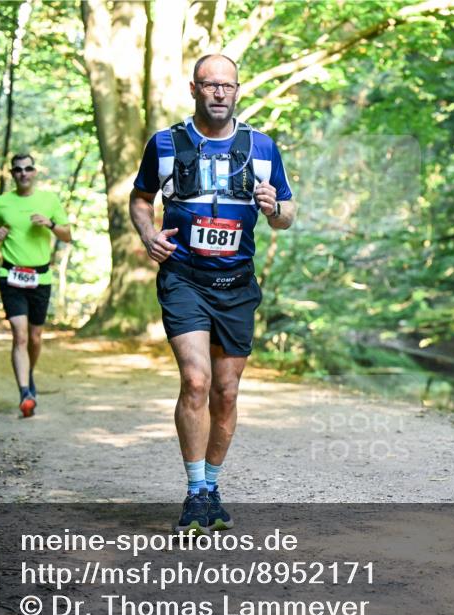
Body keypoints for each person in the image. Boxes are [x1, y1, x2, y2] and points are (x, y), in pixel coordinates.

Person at [130, 54, 296, 535]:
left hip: (237, 285)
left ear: (237, 90)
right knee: (197, 381)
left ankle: (214, 487)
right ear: (194, 89)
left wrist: (275, 210)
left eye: (227, 85)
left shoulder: (262, 147)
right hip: (184, 278)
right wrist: (147, 235)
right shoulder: (166, 143)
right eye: (210, 85)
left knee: (226, 391)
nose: (219, 93)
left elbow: (286, 213)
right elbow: (141, 199)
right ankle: (194, 490)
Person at [0, 154, 72, 418]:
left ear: (35, 172)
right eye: (18, 170)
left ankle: (29, 373)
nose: (23, 173)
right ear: (12, 174)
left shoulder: (49, 201)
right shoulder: (2, 202)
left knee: (35, 338)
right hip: (11, 275)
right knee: (20, 334)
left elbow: (67, 235)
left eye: (28, 169)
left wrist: (51, 224)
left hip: (40, 278)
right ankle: (25, 392)